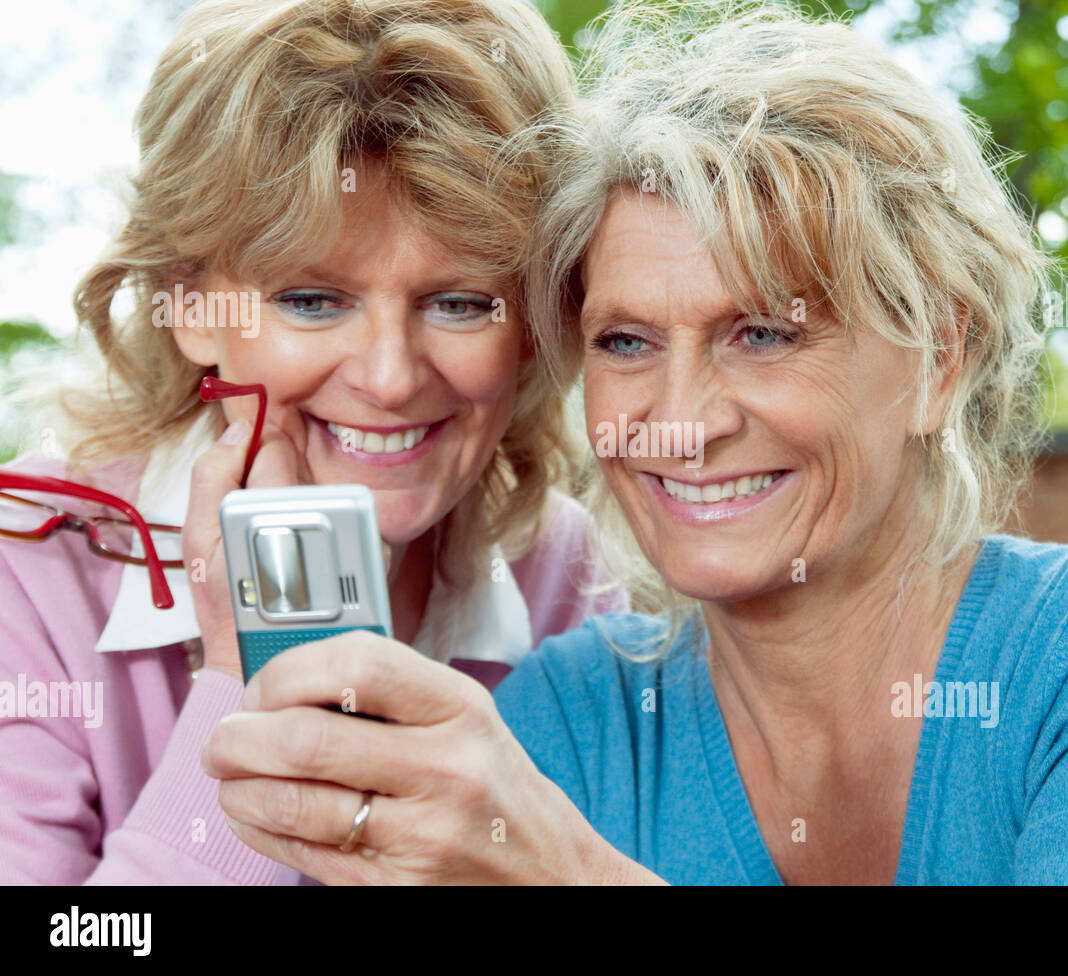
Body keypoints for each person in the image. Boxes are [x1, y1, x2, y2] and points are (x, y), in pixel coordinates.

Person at [203, 0, 1068, 884]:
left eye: (764, 332)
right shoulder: (563, 728)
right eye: (627, 340)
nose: (681, 416)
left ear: (937, 360)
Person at [0, 0, 624, 885]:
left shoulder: (569, 575)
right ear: (189, 306)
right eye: (312, 300)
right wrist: (247, 679)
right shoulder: (28, 564)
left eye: (458, 302)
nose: (390, 376)